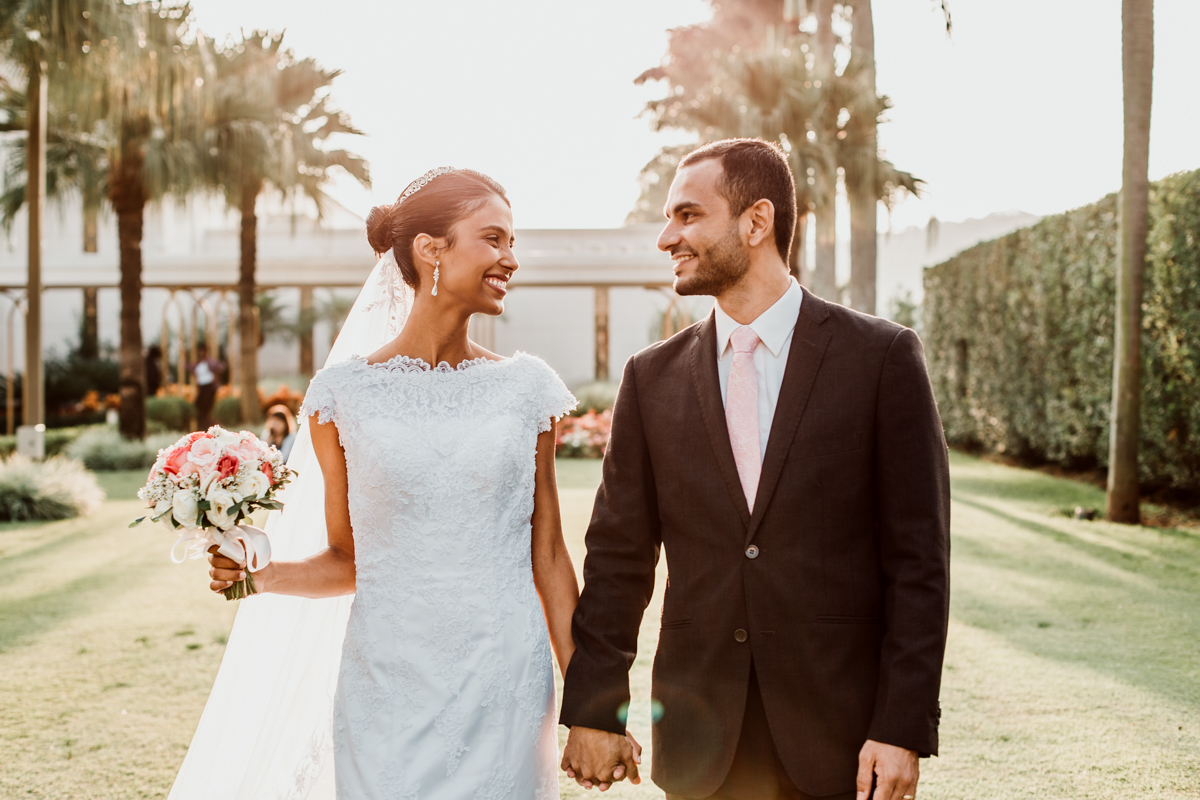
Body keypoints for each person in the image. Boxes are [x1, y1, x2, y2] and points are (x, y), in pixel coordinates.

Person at [170, 168, 635, 799]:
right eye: (494, 238)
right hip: (385, 686)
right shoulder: (342, 397)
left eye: (512, 242)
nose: (511, 259)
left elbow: (549, 556)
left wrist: (595, 707)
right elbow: (350, 560)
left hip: (504, 682)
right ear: (431, 248)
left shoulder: (527, 389)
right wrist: (262, 573)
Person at [559, 139, 951, 800]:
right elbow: (618, 559)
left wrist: (901, 725)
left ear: (756, 221)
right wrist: (596, 705)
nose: (667, 237)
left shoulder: (881, 359)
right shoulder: (649, 379)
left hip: (843, 744)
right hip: (700, 743)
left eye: (687, 215)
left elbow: (919, 562)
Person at [190, 343, 225, 430]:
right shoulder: (198, 363)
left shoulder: (210, 361)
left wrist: (215, 377)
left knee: (206, 408)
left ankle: (207, 426)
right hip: (201, 387)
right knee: (199, 407)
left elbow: (221, 367)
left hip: (209, 387)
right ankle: (203, 426)